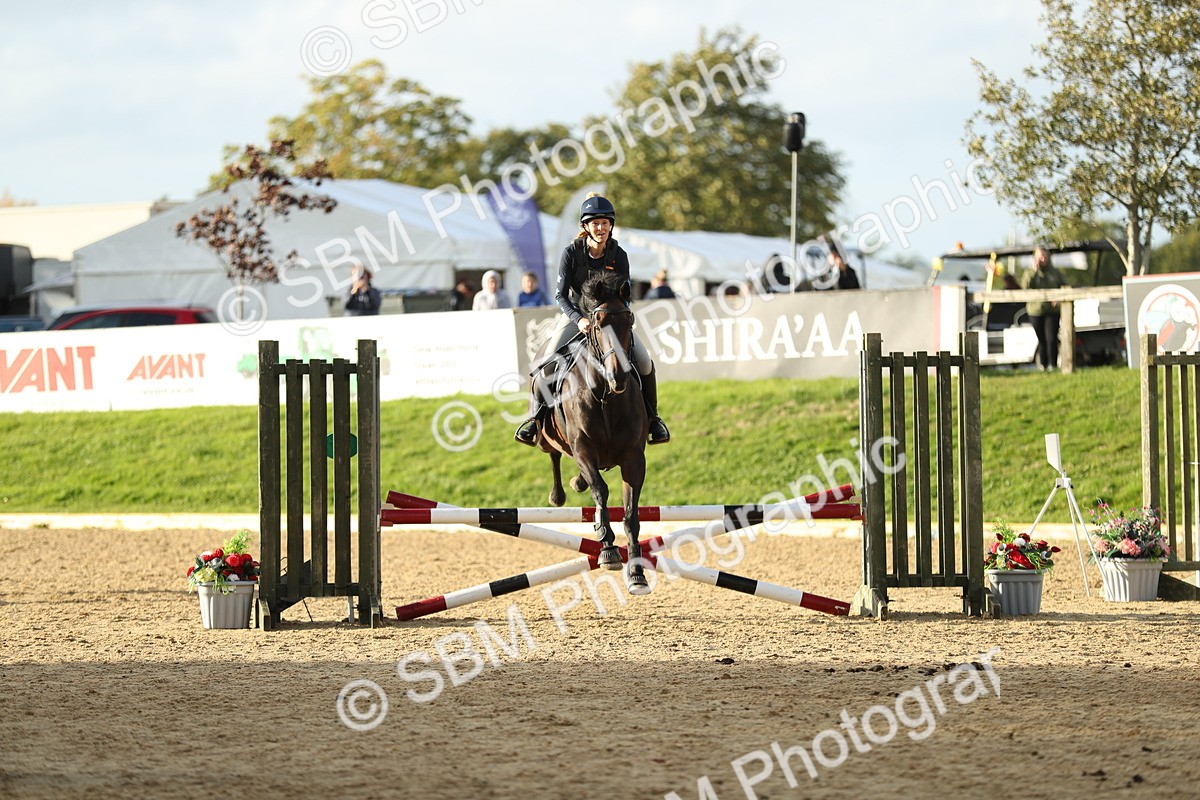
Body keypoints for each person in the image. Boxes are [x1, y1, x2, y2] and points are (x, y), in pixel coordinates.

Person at [514, 194, 670, 446]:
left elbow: (625, 293)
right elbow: (560, 295)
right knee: (548, 364)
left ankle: (654, 420)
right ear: (585, 227)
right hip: (577, 316)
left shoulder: (619, 255)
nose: (601, 228)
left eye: (605, 223)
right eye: (595, 223)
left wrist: (619, 317)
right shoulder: (571, 254)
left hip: (609, 320)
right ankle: (535, 420)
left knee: (644, 363)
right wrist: (578, 320)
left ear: (611, 225)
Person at [1022, 246, 1065, 372]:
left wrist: (1059, 297)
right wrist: (1034, 271)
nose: (1043, 259)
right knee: (1041, 339)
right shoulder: (1029, 272)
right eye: (1040, 256)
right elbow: (1025, 287)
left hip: (1052, 311)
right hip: (1035, 311)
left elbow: (1065, 285)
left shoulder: (1055, 272)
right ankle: (1044, 366)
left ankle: (1053, 366)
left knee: (1051, 338)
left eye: (1045, 256)